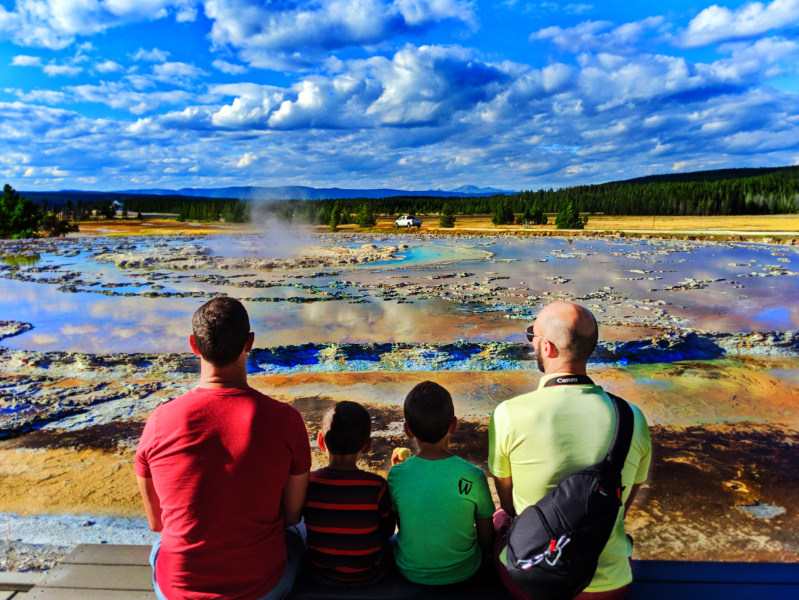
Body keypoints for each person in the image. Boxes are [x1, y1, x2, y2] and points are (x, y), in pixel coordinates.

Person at [135, 297, 312, 600]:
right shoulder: (286, 420)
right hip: (263, 588)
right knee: (300, 533)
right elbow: (291, 515)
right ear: (250, 343)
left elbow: (157, 522)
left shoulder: (160, 420)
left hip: (177, 591)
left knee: (162, 543)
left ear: (193, 344)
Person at [488, 301, 651, 600]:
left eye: (531, 336)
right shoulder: (632, 417)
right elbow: (621, 506)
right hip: (610, 587)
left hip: (533, 584)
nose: (532, 342)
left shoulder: (509, 414)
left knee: (501, 519)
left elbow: (509, 505)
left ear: (547, 348)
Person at [388, 381, 495, 586]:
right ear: (453, 425)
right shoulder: (473, 475)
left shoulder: (397, 475)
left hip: (411, 572)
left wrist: (400, 470)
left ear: (407, 430)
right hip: (466, 571)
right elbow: (486, 539)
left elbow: (404, 525)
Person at [302, 401, 396, 587]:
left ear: (320, 441)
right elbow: (387, 531)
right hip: (370, 574)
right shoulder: (377, 486)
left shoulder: (309, 483)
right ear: (366, 445)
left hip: (320, 573)